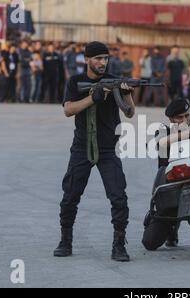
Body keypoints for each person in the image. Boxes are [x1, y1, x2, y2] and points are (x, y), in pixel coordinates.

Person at [54, 41, 136, 262]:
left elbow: (129, 113)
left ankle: (119, 244)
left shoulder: (114, 80)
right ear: (87, 59)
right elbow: (68, 110)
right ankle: (65, 240)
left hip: (108, 149)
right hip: (82, 147)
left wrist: (126, 93)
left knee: (119, 196)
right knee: (70, 195)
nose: (103, 62)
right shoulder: (75, 81)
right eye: (98, 58)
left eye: (106, 58)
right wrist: (93, 97)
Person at [142, 99, 190, 251]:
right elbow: (158, 143)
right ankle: (170, 227)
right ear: (171, 119)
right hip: (172, 192)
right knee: (149, 242)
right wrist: (188, 134)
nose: (185, 120)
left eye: (187, 116)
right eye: (180, 117)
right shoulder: (164, 131)